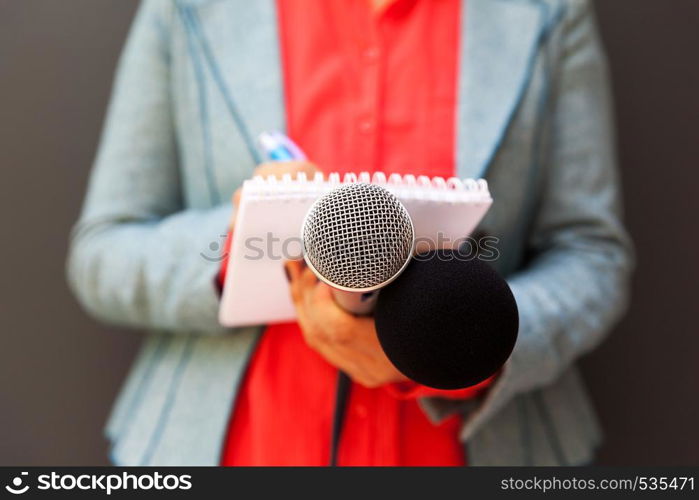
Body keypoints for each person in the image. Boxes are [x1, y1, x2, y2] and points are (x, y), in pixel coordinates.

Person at [67, 0, 633, 466]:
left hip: (477, 448)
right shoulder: (186, 10)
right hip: (237, 447)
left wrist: (468, 354)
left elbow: (591, 254)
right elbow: (102, 253)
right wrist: (250, 239)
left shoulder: (546, 13)